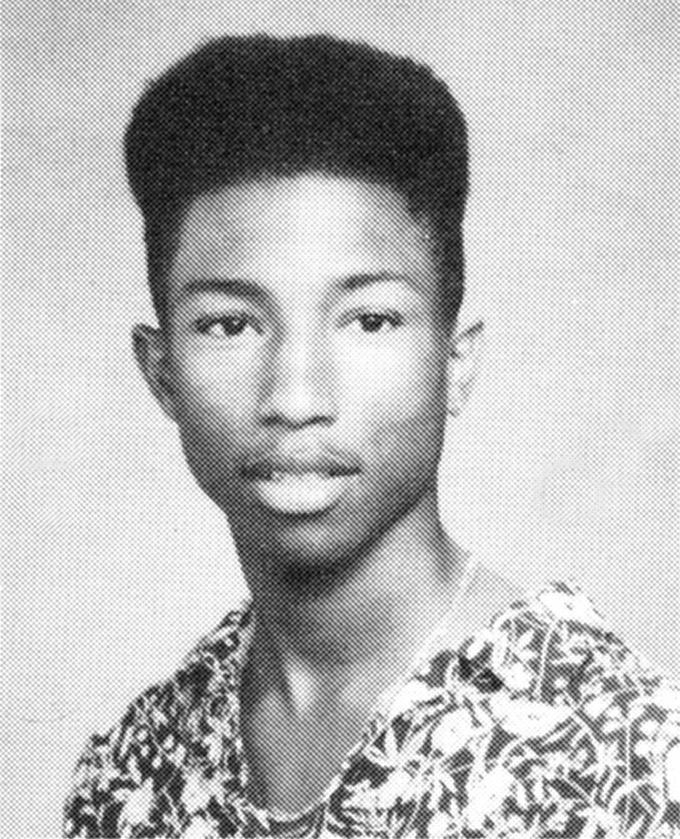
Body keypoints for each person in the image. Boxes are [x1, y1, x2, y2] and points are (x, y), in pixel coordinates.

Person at [64, 34, 678, 838]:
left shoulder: (613, 752)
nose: (296, 394)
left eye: (370, 319)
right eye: (230, 323)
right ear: (162, 372)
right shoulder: (134, 772)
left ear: (455, 363)